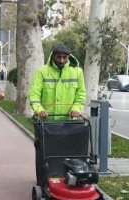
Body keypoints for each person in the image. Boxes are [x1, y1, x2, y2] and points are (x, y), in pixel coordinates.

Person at [28, 44, 86, 185]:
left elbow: (81, 94)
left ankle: (69, 179)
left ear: (68, 57)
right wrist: (39, 109)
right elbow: (34, 94)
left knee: (67, 154)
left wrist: (76, 108)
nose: (61, 60)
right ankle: (44, 182)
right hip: (47, 123)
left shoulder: (77, 72)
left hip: (68, 123)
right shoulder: (42, 71)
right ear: (53, 56)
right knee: (46, 155)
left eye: (64, 57)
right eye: (58, 57)